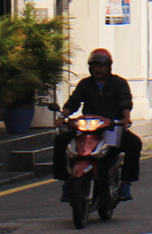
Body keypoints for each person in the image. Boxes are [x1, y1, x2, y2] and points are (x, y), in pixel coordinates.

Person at [53, 49, 142, 202]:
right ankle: (67, 182)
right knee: (60, 141)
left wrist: (125, 119)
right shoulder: (85, 84)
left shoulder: (119, 83)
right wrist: (62, 116)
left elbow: (125, 102)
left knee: (134, 144)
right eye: (94, 66)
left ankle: (125, 184)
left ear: (109, 66)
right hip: (87, 129)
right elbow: (73, 102)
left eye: (101, 65)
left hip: (111, 129)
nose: (98, 69)